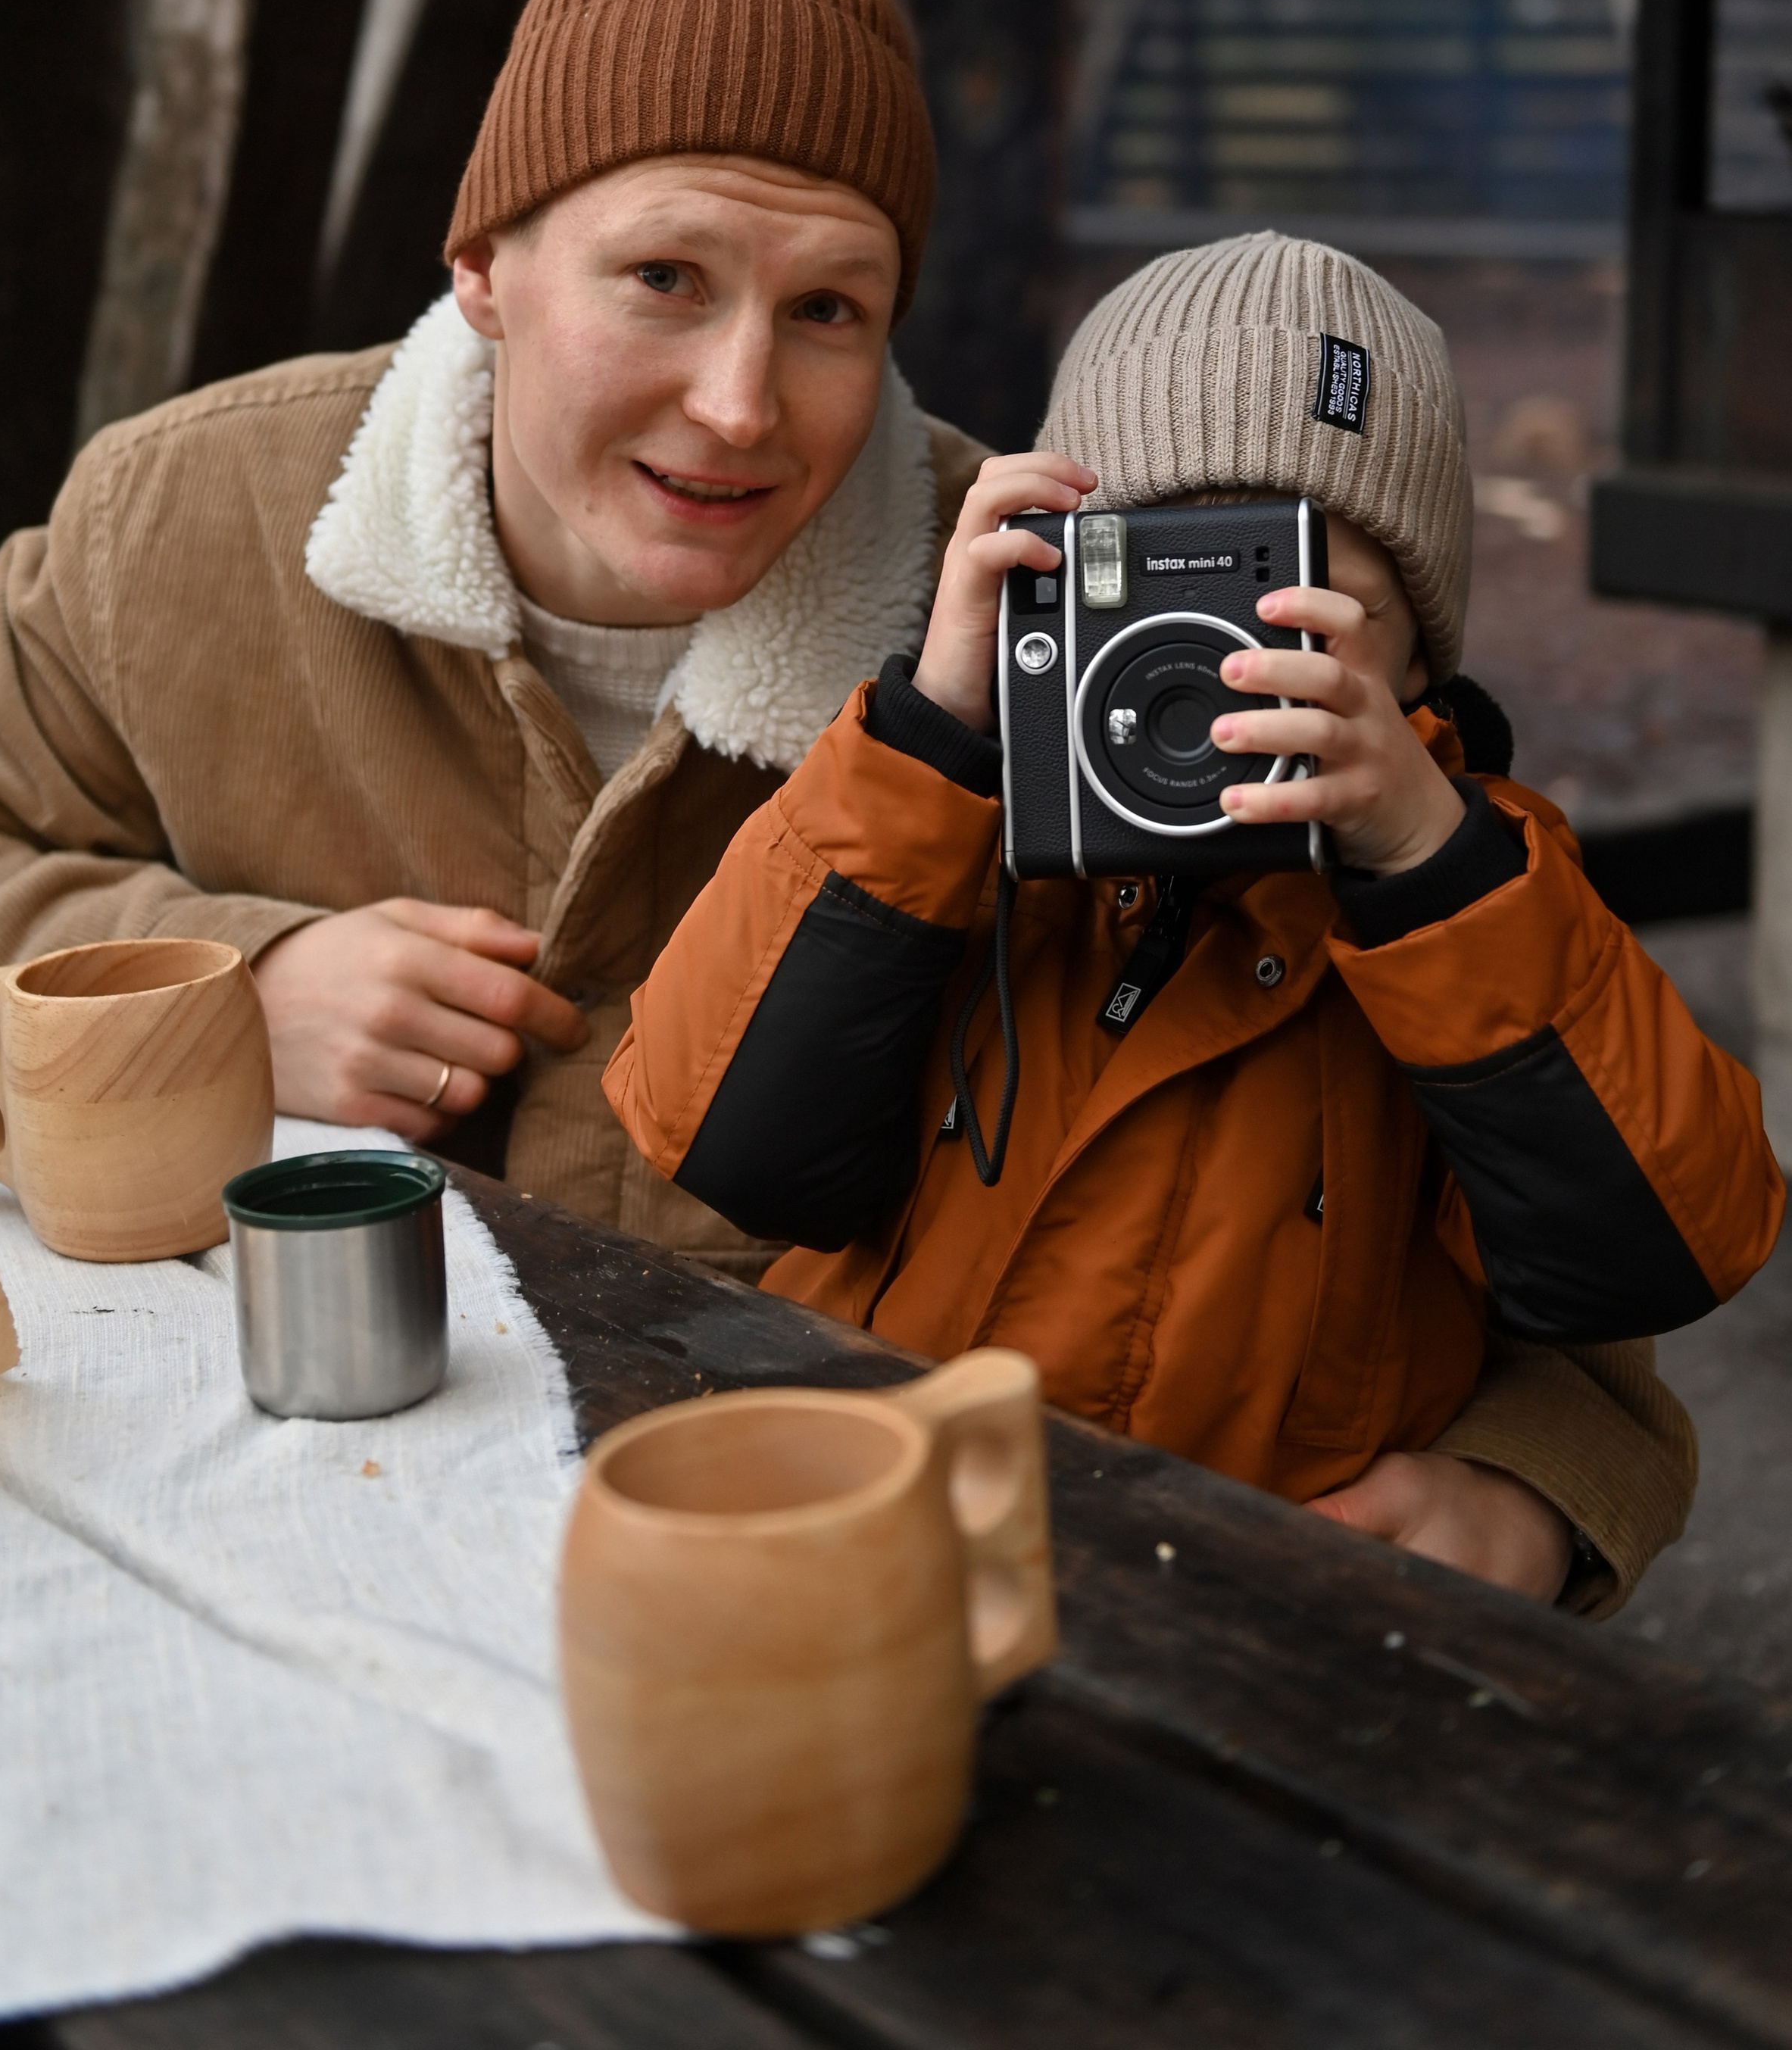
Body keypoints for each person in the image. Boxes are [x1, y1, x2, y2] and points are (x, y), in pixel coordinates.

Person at [604, 232, 1785, 1610]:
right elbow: (730, 1144)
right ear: (1045, 592)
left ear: (1418, 659)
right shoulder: (950, 837)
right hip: (887, 1555)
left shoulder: (1475, 894)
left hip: (1242, 1616)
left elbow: (1659, 1245)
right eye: (1157, 589)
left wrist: (1427, 864)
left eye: (1299, 611)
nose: (1214, 675)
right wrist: (933, 734)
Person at [0, 0, 977, 1275]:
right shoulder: (186, 516)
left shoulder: (1010, 618)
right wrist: (230, 991)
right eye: (665, 280)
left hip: (795, 1473)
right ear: (484, 268)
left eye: (827, 307)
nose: (740, 405)